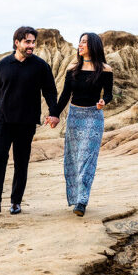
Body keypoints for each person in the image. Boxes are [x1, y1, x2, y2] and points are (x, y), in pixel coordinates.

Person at [0, 26, 60, 215]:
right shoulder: (2, 65)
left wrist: (54, 112)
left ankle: (16, 202)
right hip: (3, 122)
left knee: (21, 163)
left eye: (33, 42)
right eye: (27, 42)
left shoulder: (40, 66)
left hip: (26, 123)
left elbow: (50, 91)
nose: (31, 45)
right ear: (17, 43)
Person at [47, 32, 112, 217]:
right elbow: (65, 95)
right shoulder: (73, 67)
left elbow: (109, 94)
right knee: (73, 160)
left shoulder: (105, 69)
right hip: (74, 117)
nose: (80, 44)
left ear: (93, 45)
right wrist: (54, 114)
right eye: (80, 41)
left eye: (84, 42)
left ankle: (82, 202)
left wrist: (103, 102)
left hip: (93, 117)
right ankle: (76, 198)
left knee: (87, 159)